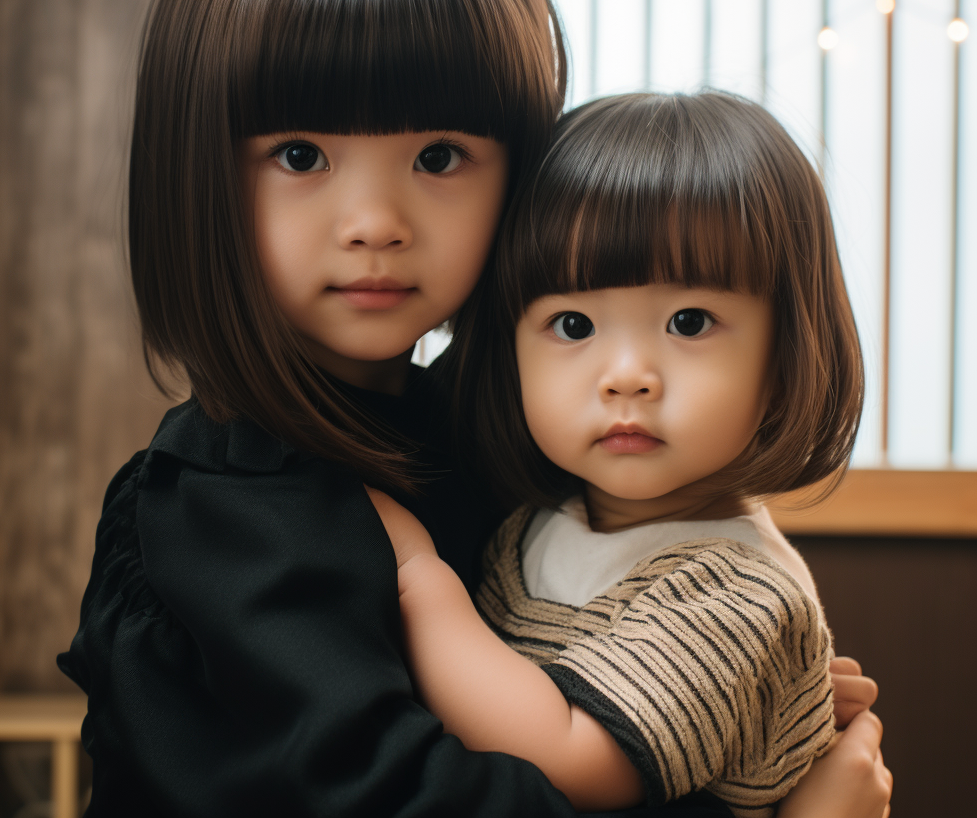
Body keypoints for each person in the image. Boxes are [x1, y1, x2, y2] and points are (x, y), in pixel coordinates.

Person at [57, 0, 889, 817]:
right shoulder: (229, 513)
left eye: (438, 156)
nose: (374, 220)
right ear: (194, 170)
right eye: (301, 156)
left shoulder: (483, 423)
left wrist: (738, 711)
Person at [368, 92, 893, 816]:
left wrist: (418, 580)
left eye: (689, 320)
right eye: (573, 323)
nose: (626, 375)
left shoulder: (738, 592)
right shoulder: (545, 519)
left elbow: (569, 760)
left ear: (785, 354)